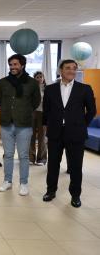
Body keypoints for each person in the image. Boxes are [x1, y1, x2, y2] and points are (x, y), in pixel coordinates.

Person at [42, 59, 96, 208]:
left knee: (76, 166)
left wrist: (81, 125)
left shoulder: (84, 89)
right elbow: (46, 111)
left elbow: (92, 111)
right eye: (68, 68)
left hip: (76, 134)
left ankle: (75, 195)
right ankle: (50, 191)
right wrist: (48, 127)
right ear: (61, 70)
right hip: (55, 133)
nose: (71, 71)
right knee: (53, 165)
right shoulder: (50, 89)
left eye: (74, 68)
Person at [0, 54, 40, 196]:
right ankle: (7, 181)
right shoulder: (3, 82)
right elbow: (0, 100)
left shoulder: (32, 83)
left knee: (23, 156)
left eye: (15, 64)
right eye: (10, 65)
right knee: (8, 155)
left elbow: (36, 102)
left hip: (24, 124)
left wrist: (23, 111)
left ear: (22, 65)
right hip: (6, 123)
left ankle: (24, 183)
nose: (12, 67)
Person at [30, 71, 47, 166]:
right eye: (37, 77)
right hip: (32, 113)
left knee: (42, 137)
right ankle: (31, 158)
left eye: (41, 76)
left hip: (43, 113)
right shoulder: (31, 89)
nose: (40, 78)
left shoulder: (47, 89)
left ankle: (41, 159)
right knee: (30, 136)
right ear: (34, 78)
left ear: (43, 78)